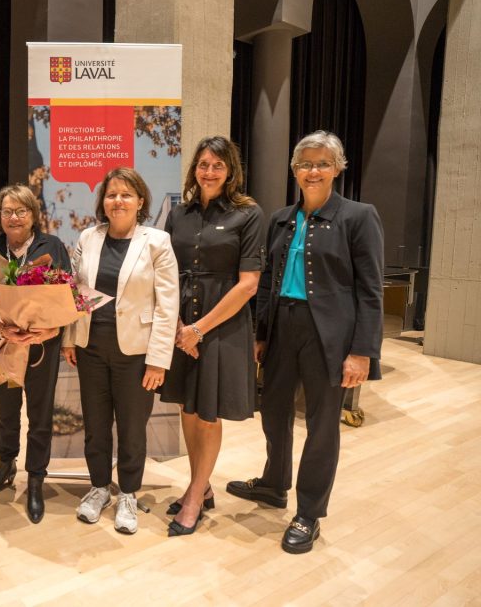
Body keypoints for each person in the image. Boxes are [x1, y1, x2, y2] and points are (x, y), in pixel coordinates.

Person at [226, 131, 383, 554]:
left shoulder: (358, 216)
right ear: (294, 170)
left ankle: (309, 512)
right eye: (305, 164)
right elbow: (265, 285)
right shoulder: (279, 218)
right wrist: (261, 334)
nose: (313, 171)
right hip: (281, 329)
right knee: (274, 412)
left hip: (329, 337)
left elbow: (371, 290)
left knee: (321, 425)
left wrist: (362, 351)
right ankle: (275, 484)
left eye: (322, 164)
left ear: (337, 168)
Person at [62, 167, 179, 535]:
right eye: (112, 194)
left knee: (131, 429)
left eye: (126, 194)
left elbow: (167, 304)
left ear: (140, 201)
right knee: (95, 426)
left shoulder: (157, 241)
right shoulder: (88, 237)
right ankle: (99, 488)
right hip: (91, 347)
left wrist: (159, 360)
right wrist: (69, 339)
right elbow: (74, 294)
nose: (118, 201)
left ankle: (128, 492)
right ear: (103, 201)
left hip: (137, 353)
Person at [159, 137, 265, 537]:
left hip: (222, 325)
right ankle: (198, 488)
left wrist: (199, 329)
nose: (209, 171)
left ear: (231, 170)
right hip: (180, 323)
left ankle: (194, 497)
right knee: (187, 407)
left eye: (218, 165)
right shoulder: (180, 213)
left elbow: (249, 284)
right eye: (203, 164)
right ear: (194, 169)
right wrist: (176, 327)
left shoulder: (248, 214)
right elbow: (166, 272)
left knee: (208, 412)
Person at [0, 184, 70, 523]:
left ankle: (35, 479)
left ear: (33, 215)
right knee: (7, 410)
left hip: (43, 346)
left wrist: (49, 329)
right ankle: (5, 467)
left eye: (21, 211)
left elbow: (66, 296)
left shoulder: (53, 246)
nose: (13, 218)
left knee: (40, 415)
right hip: (8, 345)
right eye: (7, 212)